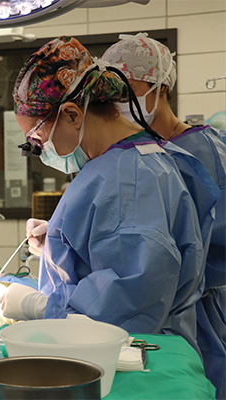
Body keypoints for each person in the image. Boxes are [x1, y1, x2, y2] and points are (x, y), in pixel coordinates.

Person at [0, 36, 219, 375]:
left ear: (72, 114)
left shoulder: (129, 177)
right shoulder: (130, 160)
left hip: (131, 363)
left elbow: (129, 302)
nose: (41, 151)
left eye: (37, 139)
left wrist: (40, 306)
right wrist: (61, 239)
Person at [102, 33, 226, 399]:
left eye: (128, 88)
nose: (120, 100)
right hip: (160, 308)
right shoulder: (142, 151)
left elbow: (203, 243)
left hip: (201, 310)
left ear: (161, 87)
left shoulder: (202, 149)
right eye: (112, 91)